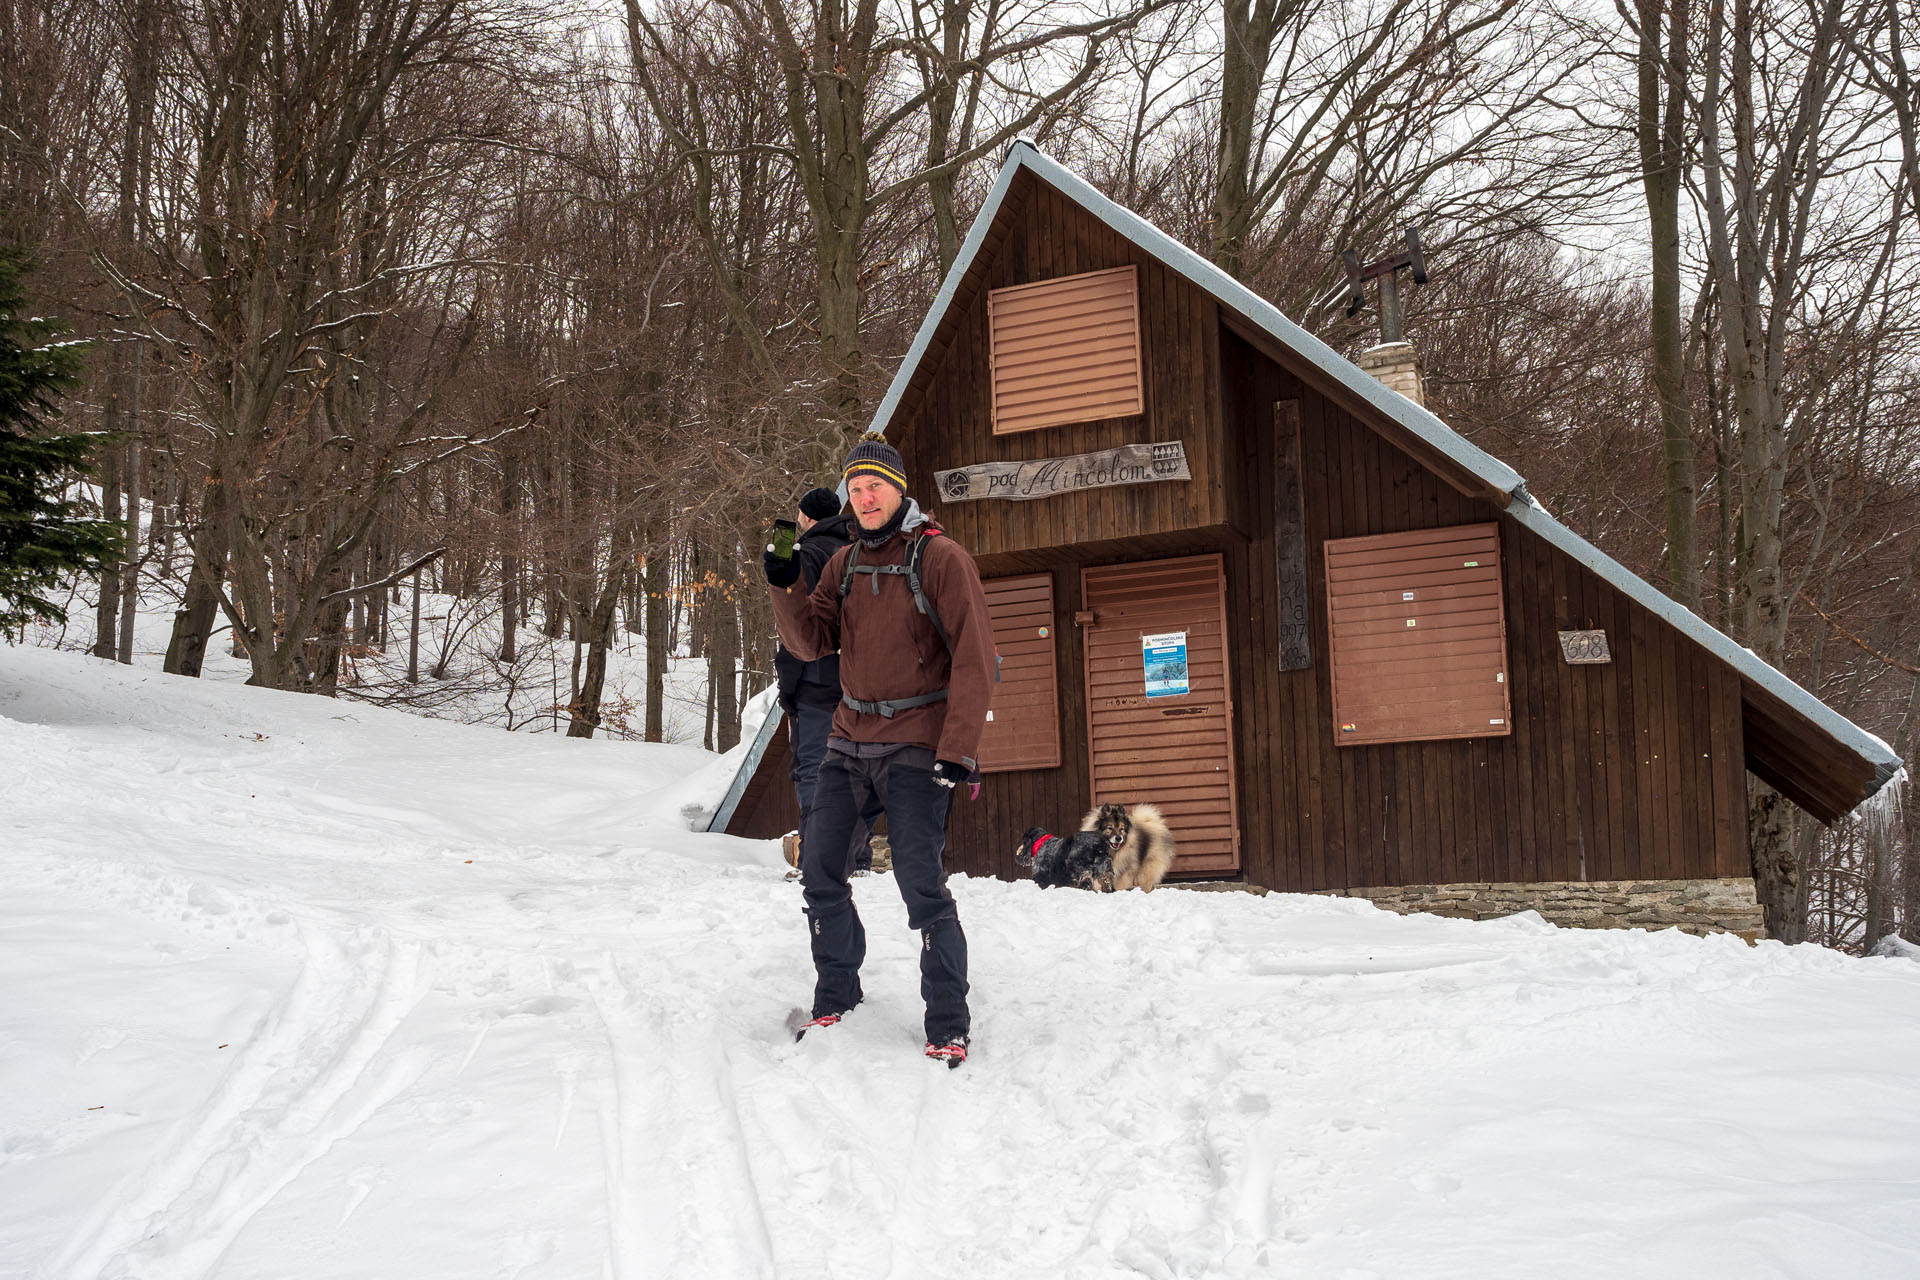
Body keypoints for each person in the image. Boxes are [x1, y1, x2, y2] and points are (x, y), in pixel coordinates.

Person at [762, 433, 995, 1067]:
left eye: (875, 487)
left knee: (922, 886)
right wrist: (784, 582)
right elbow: (811, 644)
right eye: (856, 488)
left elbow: (977, 658)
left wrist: (959, 748)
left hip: (918, 743)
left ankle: (948, 1019)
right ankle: (838, 990)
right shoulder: (843, 564)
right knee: (820, 872)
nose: (865, 498)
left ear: (898, 491)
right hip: (847, 738)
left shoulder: (941, 559)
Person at [774, 487, 881, 875]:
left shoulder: (805, 554)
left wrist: (789, 684)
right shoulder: (862, 548)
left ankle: (819, 857)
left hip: (816, 681)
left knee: (814, 769)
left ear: (803, 516)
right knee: (857, 767)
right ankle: (858, 858)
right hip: (860, 682)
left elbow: (795, 622)